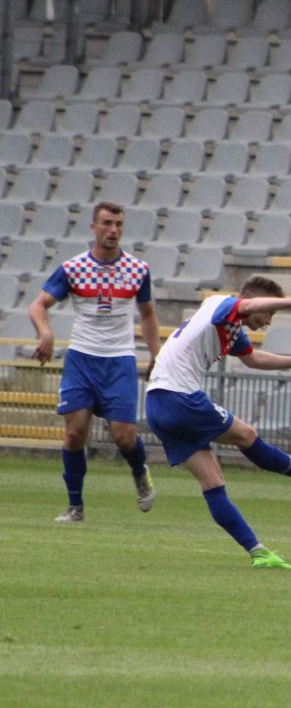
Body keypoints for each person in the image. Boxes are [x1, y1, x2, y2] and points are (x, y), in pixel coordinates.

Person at [144, 276, 291, 570]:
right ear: (253, 301)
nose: (269, 321)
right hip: (180, 398)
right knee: (246, 434)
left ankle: (258, 552)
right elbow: (247, 305)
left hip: (156, 404)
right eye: (270, 313)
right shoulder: (223, 305)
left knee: (212, 481)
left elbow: (252, 359)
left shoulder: (230, 325)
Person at [28, 202, 163, 522]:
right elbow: (38, 305)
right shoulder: (74, 268)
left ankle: (140, 472)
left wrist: (156, 354)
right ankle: (75, 506)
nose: (113, 230)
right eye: (107, 223)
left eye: (118, 224)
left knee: (123, 436)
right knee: (74, 435)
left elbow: (147, 314)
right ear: (94, 227)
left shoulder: (138, 270)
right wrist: (45, 333)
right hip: (82, 359)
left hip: (119, 359)